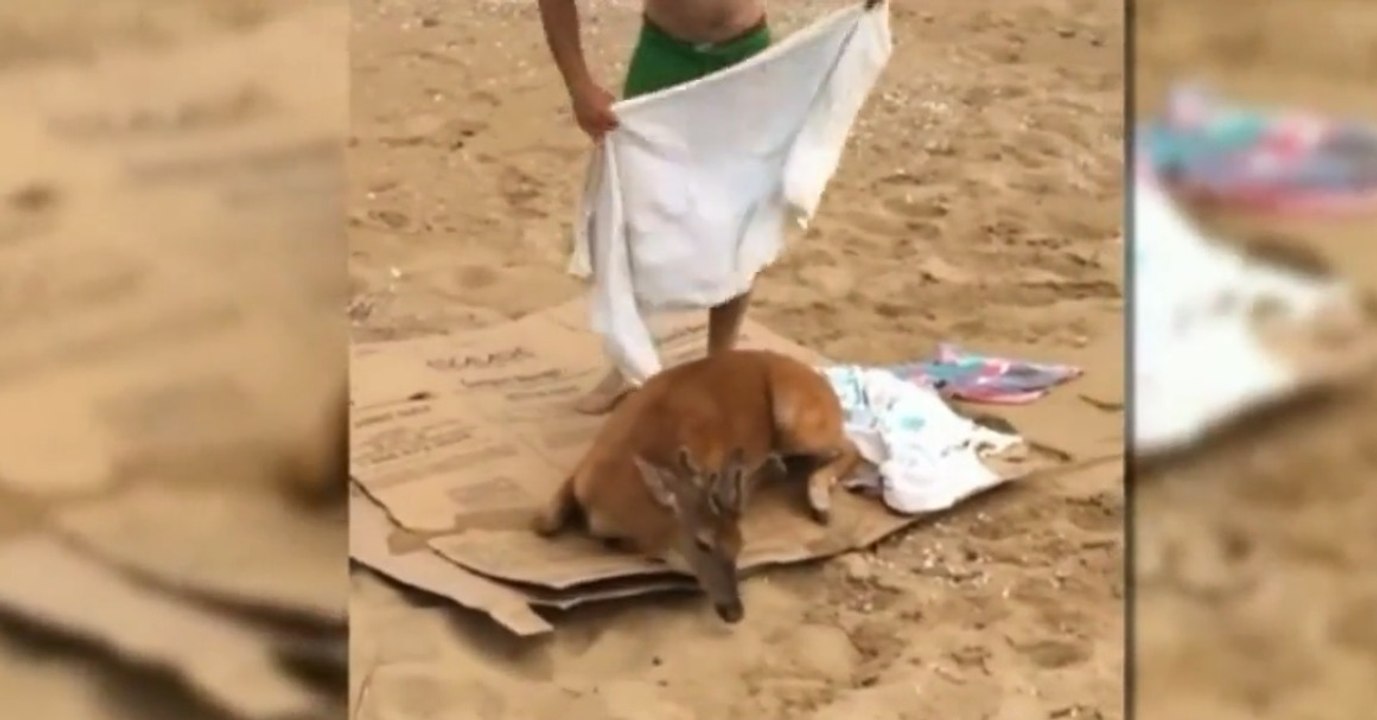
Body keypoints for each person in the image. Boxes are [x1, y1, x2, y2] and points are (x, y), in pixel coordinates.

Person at [537, 0, 771, 415]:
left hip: (746, 54)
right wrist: (579, 85)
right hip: (665, 53)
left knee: (741, 205)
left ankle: (721, 358)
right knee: (638, 207)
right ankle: (626, 363)